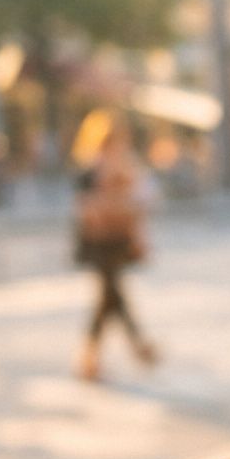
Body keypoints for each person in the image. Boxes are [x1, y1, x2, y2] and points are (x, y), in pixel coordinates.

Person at [71, 111, 157, 382]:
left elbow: (142, 200)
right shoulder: (88, 171)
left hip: (117, 239)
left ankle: (92, 357)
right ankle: (135, 344)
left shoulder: (126, 167)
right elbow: (86, 211)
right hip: (98, 241)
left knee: (109, 297)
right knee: (111, 293)